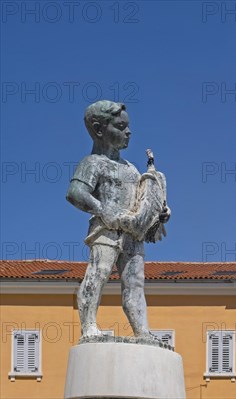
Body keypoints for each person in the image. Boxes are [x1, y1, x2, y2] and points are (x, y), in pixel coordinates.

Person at [66, 100, 170, 339]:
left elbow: (142, 199)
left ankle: (142, 331)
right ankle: (89, 326)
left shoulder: (132, 169)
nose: (128, 132)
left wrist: (160, 214)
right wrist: (102, 209)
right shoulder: (92, 163)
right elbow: (75, 192)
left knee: (135, 283)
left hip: (133, 231)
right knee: (98, 273)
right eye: (121, 126)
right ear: (99, 129)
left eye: (128, 126)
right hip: (107, 228)